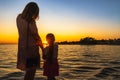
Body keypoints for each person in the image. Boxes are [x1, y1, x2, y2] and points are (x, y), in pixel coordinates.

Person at [16, 2, 44, 80]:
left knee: (28, 73)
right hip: (32, 51)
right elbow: (37, 37)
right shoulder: (31, 22)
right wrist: (43, 50)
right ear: (34, 11)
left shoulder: (18, 18)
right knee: (31, 73)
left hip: (22, 49)